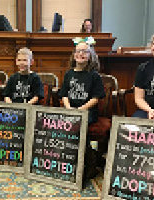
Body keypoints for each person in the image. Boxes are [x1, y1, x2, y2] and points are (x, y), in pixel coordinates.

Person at [58, 37, 106, 182]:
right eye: (78, 51)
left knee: (78, 125)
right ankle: (67, 159)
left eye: (85, 51)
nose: (81, 54)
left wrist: (80, 109)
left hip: (88, 111)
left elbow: (96, 98)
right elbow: (63, 94)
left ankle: (90, 163)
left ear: (90, 55)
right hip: (70, 109)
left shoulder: (94, 75)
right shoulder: (69, 74)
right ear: (73, 54)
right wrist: (68, 108)